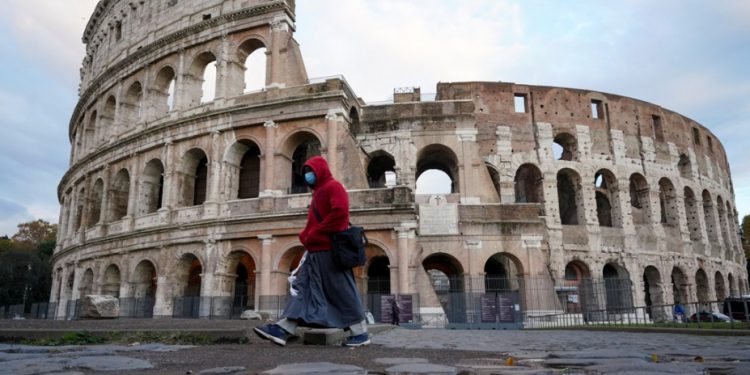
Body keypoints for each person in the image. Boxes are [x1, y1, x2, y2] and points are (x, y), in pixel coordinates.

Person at [254, 156, 370, 347]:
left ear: (321, 170)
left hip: (329, 251)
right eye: (306, 172)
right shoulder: (318, 193)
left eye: (311, 171)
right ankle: (284, 328)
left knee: (341, 290)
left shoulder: (333, 187)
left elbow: (340, 213)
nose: (308, 175)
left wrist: (315, 232)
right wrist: (306, 235)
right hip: (315, 250)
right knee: (302, 287)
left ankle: (360, 332)